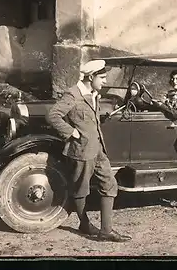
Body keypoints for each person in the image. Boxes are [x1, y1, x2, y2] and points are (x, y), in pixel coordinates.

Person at [45, 60, 132, 242]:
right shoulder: (73, 94)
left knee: (110, 184)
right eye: (101, 77)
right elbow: (53, 115)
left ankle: (106, 231)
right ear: (90, 77)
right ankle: (84, 224)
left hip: (98, 149)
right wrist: (71, 132)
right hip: (82, 151)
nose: (105, 81)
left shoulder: (93, 93)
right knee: (80, 190)